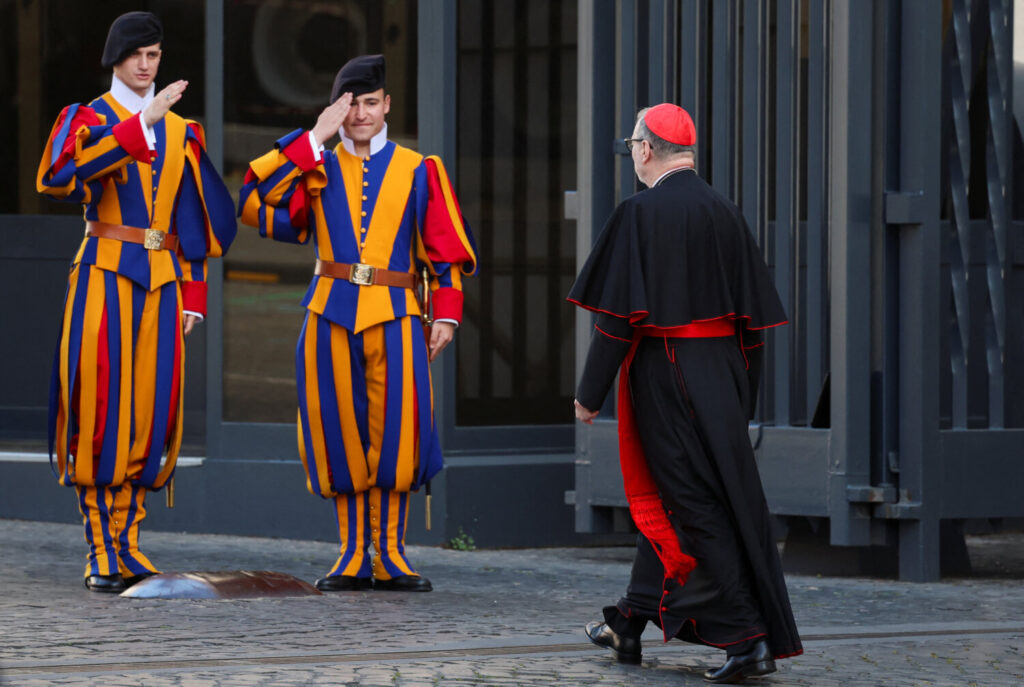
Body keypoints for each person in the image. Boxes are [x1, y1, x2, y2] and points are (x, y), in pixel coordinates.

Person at [568, 104, 802, 683]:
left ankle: (747, 638)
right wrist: (739, 393)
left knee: (691, 501)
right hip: (721, 372)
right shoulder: (726, 212)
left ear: (645, 150)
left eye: (631, 148)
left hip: (667, 370)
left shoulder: (639, 212)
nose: (632, 158)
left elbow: (618, 320)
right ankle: (630, 619)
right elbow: (754, 325)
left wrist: (589, 392)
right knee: (686, 491)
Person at [238, 54, 477, 593]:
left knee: (398, 433)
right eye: (352, 104)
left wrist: (446, 316)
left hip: (397, 314)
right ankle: (350, 553)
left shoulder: (421, 168)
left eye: (372, 102)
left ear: (387, 104)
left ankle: (391, 554)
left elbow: (445, 254)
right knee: (337, 432)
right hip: (328, 312)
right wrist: (313, 138)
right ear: (337, 108)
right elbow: (253, 203)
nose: (363, 114)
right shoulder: (313, 163)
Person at [37, 11, 237, 593]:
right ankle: (101, 548)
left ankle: (129, 543)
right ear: (116, 60)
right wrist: (136, 126)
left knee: (152, 412)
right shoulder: (87, 118)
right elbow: (57, 177)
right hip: (104, 273)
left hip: (164, 281)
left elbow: (193, 221)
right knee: (101, 407)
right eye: (136, 56)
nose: (147, 65)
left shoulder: (182, 130)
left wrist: (194, 294)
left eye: (154, 55)